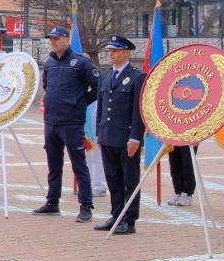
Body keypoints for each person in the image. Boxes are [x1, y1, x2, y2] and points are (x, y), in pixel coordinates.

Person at [32, 26, 99, 222]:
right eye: (50, 39)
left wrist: (79, 103)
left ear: (66, 40)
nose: (52, 42)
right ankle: (52, 202)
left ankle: (85, 206)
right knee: (54, 165)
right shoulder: (50, 62)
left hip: (71, 122)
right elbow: (47, 86)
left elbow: (97, 86)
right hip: (51, 121)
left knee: (79, 165)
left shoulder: (80, 62)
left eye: (56, 38)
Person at [94, 36, 145, 234]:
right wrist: (99, 133)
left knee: (129, 180)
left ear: (127, 52)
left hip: (126, 138)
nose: (111, 53)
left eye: (115, 50)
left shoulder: (137, 77)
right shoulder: (105, 76)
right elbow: (102, 106)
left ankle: (129, 220)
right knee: (113, 178)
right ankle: (116, 216)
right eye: (110, 50)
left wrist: (135, 138)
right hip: (108, 136)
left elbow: (139, 111)